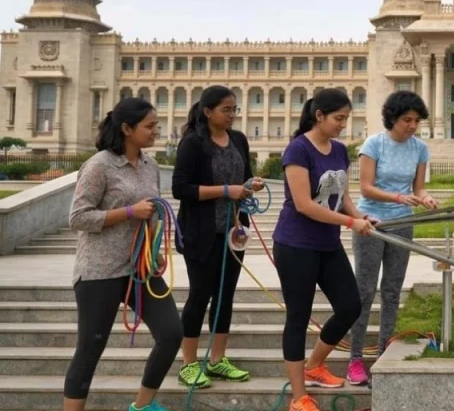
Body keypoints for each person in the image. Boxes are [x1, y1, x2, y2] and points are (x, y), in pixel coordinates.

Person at [63, 97, 183, 411]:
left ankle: (142, 406)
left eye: (156, 125)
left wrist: (154, 248)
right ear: (127, 128)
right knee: (90, 349)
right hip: (99, 271)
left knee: (171, 333)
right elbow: (78, 217)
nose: (157, 131)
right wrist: (128, 212)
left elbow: (153, 212)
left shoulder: (150, 165)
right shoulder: (99, 165)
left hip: (140, 268)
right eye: (150, 126)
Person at [273, 88, 377, 411]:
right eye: (338, 118)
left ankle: (316, 365)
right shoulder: (297, 150)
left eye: (347, 118)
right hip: (295, 245)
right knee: (298, 316)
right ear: (319, 116)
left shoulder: (339, 150)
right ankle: (299, 396)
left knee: (350, 305)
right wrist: (350, 223)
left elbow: (343, 194)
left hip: (327, 244)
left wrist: (359, 216)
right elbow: (304, 205)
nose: (343, 125)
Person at [172, 85, 264, 388]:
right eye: (226, 109)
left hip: (234, 231)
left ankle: (217, 360)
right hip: (201, 233)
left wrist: (251, 184)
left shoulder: (238, 140)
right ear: (208, 111)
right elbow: (180, 189)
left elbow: (243, 177)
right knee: (200, 294)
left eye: (234, 109)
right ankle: (188, 362)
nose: (232, 115)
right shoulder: (193, 144)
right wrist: (225, 191)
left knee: (226, 295)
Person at [345, 90, 438, 386]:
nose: (412, 125)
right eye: (406, 120)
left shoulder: (420, 148)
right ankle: (356, 358)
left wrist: (425, 198)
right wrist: (398, 196)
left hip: (403, 224)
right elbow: (366, 188)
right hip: (371, 223)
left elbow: (419, 187)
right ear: (392, 118)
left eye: (416, 120)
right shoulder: (374, 144)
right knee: (364, 290)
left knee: (392, 291)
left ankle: (385, 352)